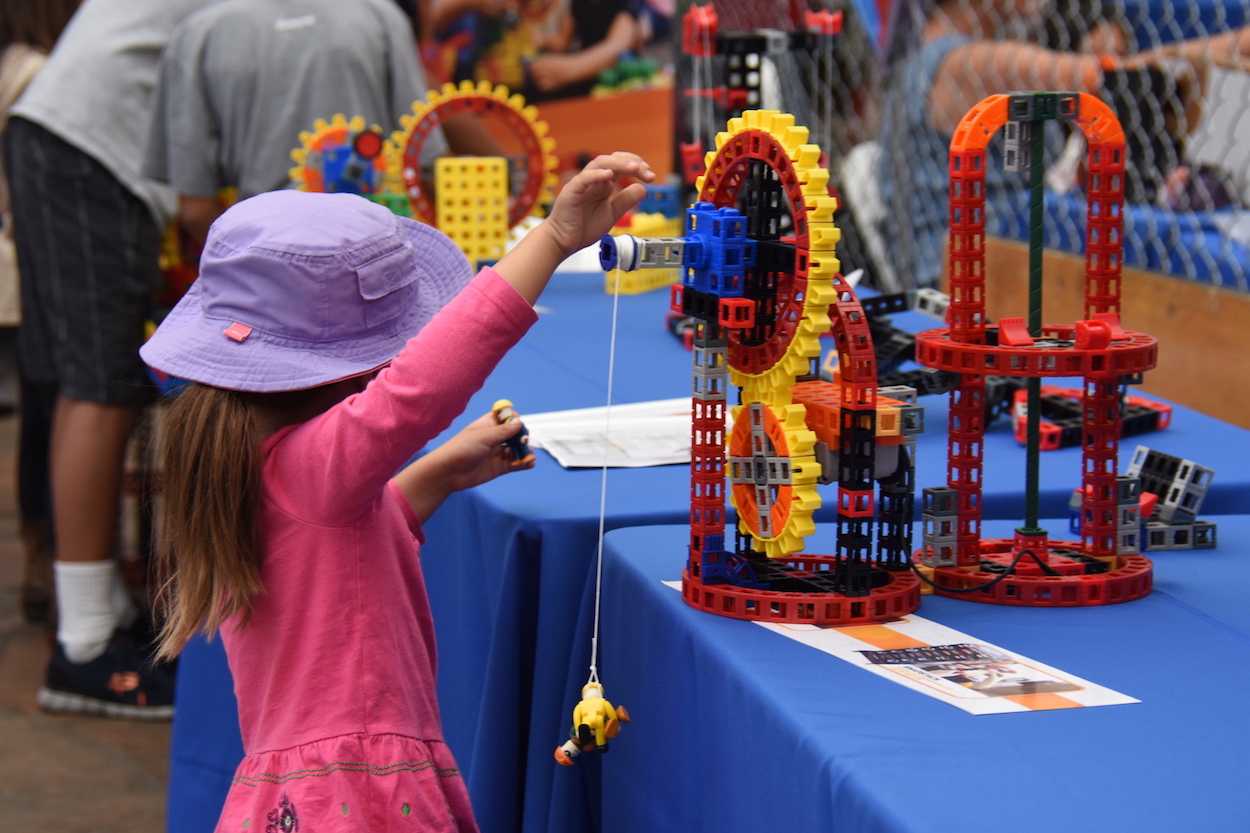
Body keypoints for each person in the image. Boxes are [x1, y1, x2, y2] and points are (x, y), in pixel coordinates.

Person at [141, 151, 654, 831]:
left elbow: (327, 560)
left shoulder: (240, 456)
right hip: (359, 801)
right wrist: (552, 239)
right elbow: (428, 379)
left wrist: (435, 475)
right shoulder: (322, 467)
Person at [6, 0, 217, 718]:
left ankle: (90, 616)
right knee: (103, 388)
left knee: (86, 385)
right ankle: (87, 648)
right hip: (92, 146)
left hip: (61, 131)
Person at [877, 0, 1248, 290]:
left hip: (1015, 259)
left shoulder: (947, 57)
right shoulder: (959, 62)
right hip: (965, 279)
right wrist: (1212, 47)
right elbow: (1106, 80)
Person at [146, 0, 447, 250]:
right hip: (375, 252)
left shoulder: (199, 34)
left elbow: (195, 210)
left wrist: (250, 265)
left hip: (266, 255)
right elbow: (427, 163)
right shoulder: (379, 15)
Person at [0, 0, 80, 625]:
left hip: (20, 263)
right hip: (30, 261)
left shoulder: (14, 63)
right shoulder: (42, 72)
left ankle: (40, 563)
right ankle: (51, 564)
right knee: (53, 405)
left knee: (38, 409)